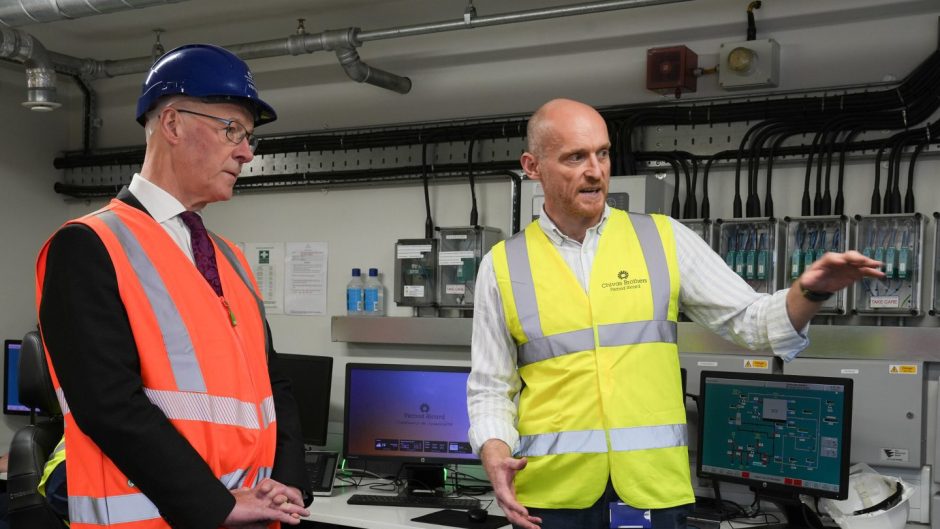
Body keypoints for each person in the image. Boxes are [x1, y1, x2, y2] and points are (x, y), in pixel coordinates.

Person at [466, 98, 884, 529]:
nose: (596, 170)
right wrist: (494, 449)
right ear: (533, 167)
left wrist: (810, 291)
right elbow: (490, 387)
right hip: (548, 499)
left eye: (603, 153)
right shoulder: (501, 266)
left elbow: (754, 323)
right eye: (576, 157)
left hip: (653, 494)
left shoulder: (663, 239)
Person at [36, 44, 311, 529]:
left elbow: (274, 384)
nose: (246, 152)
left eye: (248, 137)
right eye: (232, 130)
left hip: (253, 517)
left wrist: (289, 482)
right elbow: (108, 405)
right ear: (172, 124)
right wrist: (217, 505)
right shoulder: (87, 245)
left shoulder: (232, 260)